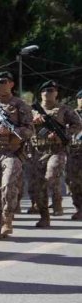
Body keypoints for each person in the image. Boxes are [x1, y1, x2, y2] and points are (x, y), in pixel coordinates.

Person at [0, 72, 33, 239]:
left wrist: (12, 130)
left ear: (11, 84)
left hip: (11, 153)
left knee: (8, 185)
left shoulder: (20, 105)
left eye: (3, 81)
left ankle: (7, 219)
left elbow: (30, 130)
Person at [30, 81, 81, 227]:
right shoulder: (32, 111)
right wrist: (33, 122)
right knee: (39, 185)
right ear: (41, 94)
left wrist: (63, 134)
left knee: (51, 175)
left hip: (57, 150)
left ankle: (57, 201)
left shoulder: (64, 109)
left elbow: (77, 125)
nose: (48, 93)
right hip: (38, 151)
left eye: (51, 90)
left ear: (56, 93)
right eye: (45, 90)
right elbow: (22, 127)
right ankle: (44, 216)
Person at [68, 89, 82, 220]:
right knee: (74, 182)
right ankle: (79, 208)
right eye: (81, 97)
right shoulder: (70, 114)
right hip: (75, 152)